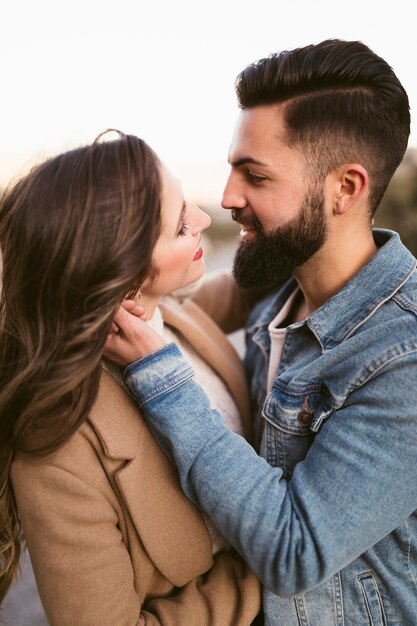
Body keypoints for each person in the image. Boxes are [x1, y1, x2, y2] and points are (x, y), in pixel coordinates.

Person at [103, 40, 417, 625]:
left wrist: (161, 376)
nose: (227, 198)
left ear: (345, 189)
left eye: (255, 175)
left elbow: (295, 552)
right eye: (231, 168)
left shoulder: (403, 359)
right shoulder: (280, 281)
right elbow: (182, 298)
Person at [0, 130, 262, 625]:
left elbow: (248, 286)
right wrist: (269, 572)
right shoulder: (55, 446)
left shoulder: (170, 316)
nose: (206, 218)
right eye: (183, 224)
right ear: (124, 275)